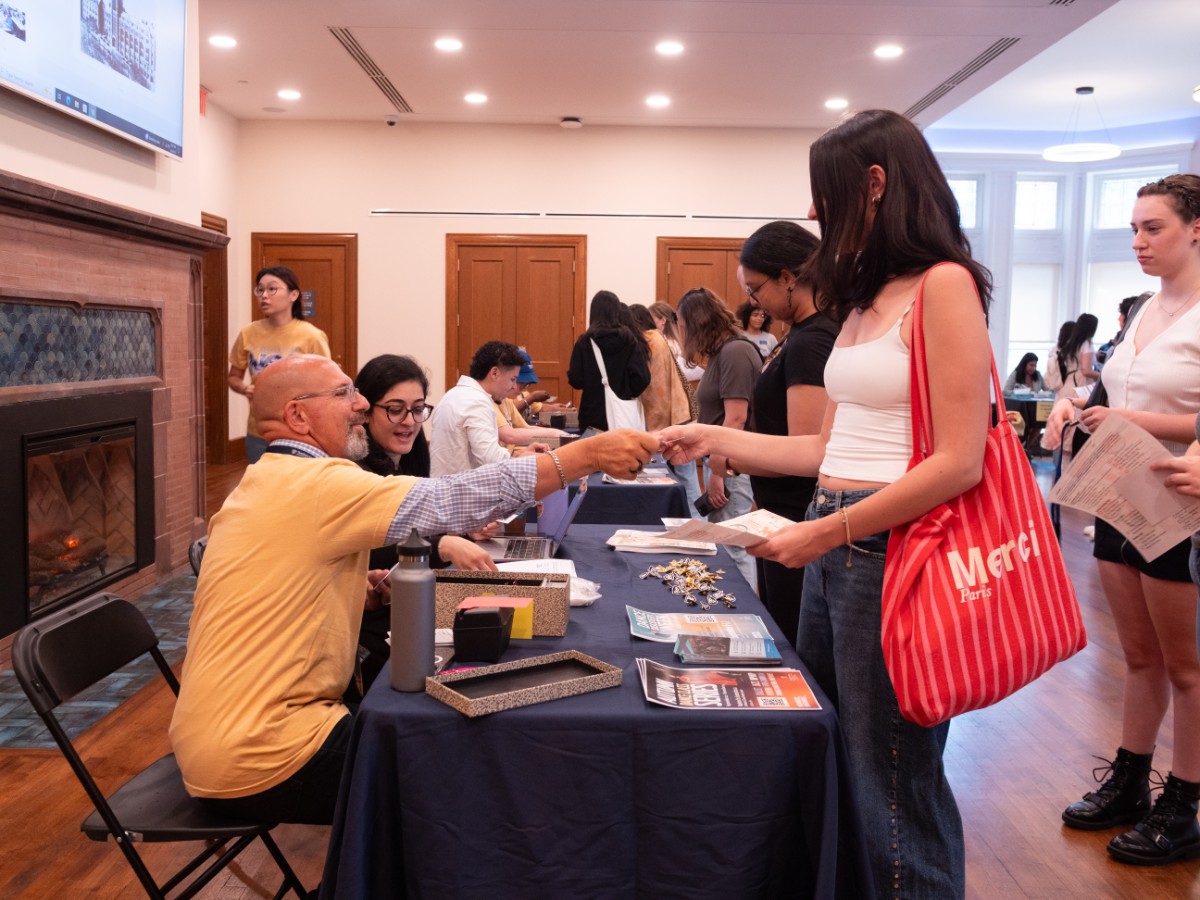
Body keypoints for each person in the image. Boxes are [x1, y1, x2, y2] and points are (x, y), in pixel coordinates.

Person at [660, 109, 994, 898]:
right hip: (840, 545)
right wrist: (712, 440)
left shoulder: (944, 287)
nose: (814, 215)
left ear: (875, 186)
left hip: (887, 553)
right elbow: (823, 453)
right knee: (838, 757)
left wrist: (823, 534)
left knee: (892, 785)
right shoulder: (865, 301)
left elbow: (960, 462)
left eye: (826, 195)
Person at [170, 353, 657, 828]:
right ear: (297, 414)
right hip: (269, 754)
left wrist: (356, 589)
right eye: (344, 393)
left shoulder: (264, 481)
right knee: (476, 768)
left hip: (215, 741)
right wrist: (585, 455)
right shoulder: (314, 482)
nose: (360, 403)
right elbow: (448, 501)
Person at [1058, 174, 1200, 866]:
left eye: (1155, 228)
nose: (1140, 242)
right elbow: (1113, 388)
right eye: (1135, 230)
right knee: (1139, 657)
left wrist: (1126, 418)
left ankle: (1187, 800)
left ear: (1196, 228)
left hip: (1182, 503)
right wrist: (1074, 404)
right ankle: (1130, 779)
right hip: (1123, 496)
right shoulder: (1145, 309)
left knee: (1188, 667)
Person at [351, 353, 498, 700]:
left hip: (400, 606)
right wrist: (441, 544)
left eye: (418, 409)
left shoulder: (413, 455)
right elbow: (375, 545)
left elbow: (415, 522)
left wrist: (460, 527)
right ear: (366, 411)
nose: (409, 421)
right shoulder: (354, 472)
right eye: (395, 409)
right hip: (367, 625)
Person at [736, 221, 837, 645]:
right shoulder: (797, 335)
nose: (754, 301)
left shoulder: (812, 341)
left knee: (794, 638)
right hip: (780, 514)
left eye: (756, 290)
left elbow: (806, 452)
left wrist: (732, 453)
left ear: (788, 278)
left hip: (796, 517)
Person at [676, 287, 762, 589]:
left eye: (684, 326)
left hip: (732, 464)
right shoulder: (723, 352)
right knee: (724, 543)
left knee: (733, 545)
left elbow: (736, 418)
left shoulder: (736, 352)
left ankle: (747, 613)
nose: (682, 334)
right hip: (724, 461)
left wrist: (717, 471)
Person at [227, 266, 330, 462]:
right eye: (260, 290)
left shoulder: (311, 336)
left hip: (299, 432)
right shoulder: (248, 333)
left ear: (293, 295)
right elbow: (234, 377)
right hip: (259, 431)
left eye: (272, 289)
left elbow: (327, 387)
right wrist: (244, 388)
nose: (264, 295)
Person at [428, 340, 532, 476]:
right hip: (461, 493)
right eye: (512, 379)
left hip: (448, 486)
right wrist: (531, 459)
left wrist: (521, 454)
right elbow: (491, 459)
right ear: (494, 373)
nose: (513, 386)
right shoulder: (476, 402)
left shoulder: (454, 394)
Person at [567, 291, 651, 432]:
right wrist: (626, 391)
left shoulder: (585, 341)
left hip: (591, 415)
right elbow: (643, 378)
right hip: (622, 413)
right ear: (616, 312)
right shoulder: (628, 339)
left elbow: (576, 380)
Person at [650, 300, 705, 382]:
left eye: (650, 318)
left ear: (663, 321)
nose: (648, 322)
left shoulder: (667, 344)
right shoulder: (670, 342)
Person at [1053, 312, 1100, 399]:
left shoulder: (1070, 343)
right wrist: (1101, 375)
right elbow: (1086, 371)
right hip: (1080, 385)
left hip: (1067, 383)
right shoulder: (1086, 344)